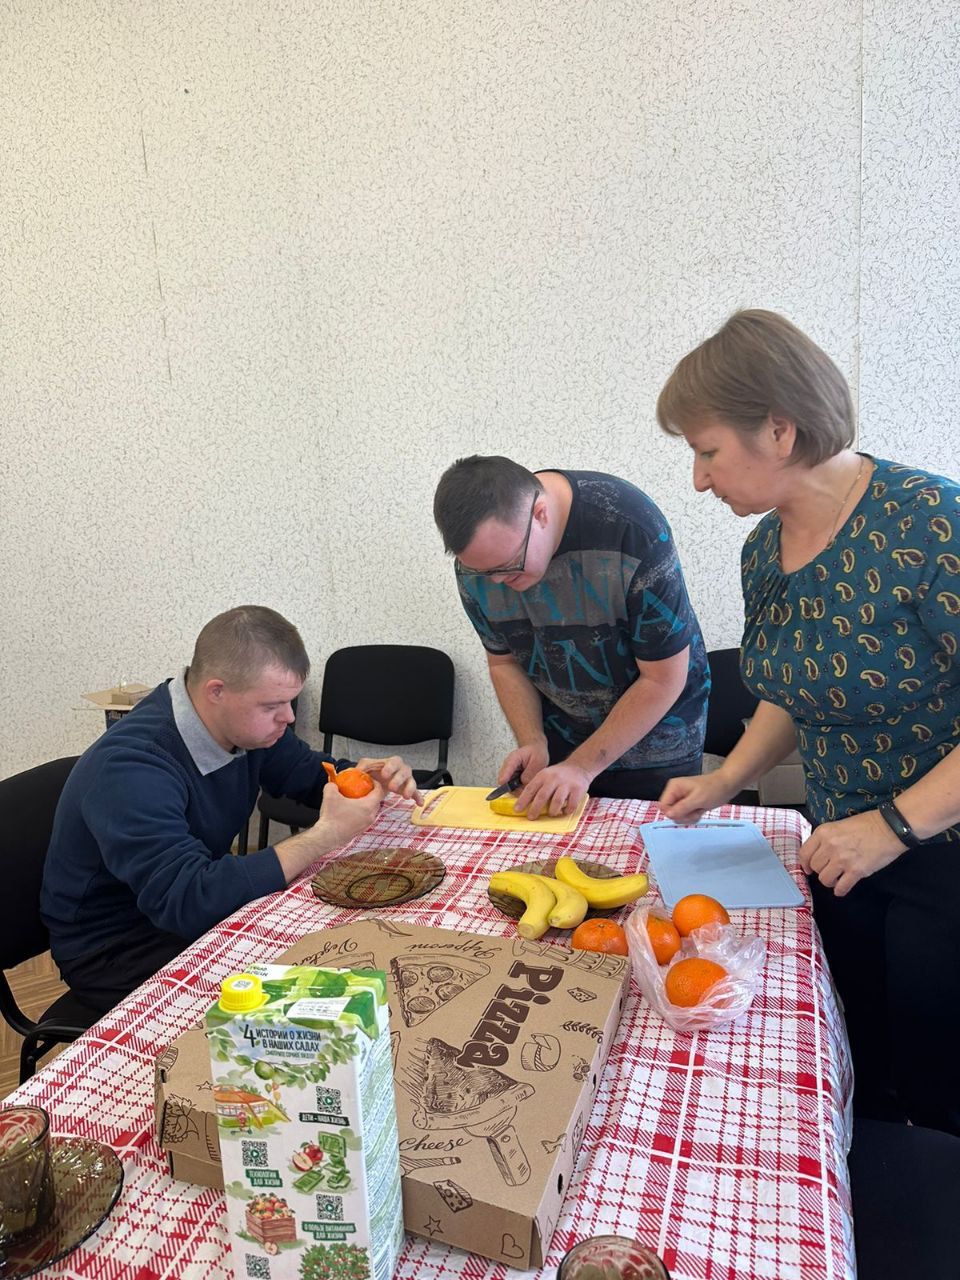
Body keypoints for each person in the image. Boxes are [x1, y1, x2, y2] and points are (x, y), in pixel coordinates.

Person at [655, 309, 960, 1135]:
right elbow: (795, 691)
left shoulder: (933, 524)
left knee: (938, 1089)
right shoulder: (764, 552)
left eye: (707, 450)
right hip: (838, 847)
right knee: (858, 1059)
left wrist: (893, 826)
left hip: (940, 857)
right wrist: (726, 777)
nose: (697, 478)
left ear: (779, 431)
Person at [41, 605, 421, 1014]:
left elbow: (308, 774)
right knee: (315, 1002)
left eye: (290, 702)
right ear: (216, 691)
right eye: (272, 705)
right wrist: (326, 834)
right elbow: (187, 900)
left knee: (354, 949)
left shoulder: (244, 730)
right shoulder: (132, 767)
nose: (288, 717)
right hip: (117, 949)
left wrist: (367, 777)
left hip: (185, 913)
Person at [433, 456, 708, 818]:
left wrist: (582, 767)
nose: (497, 582)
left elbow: (662, 678)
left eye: (507, 567)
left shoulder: (631, 527)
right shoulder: (479, 567)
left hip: (657, 745)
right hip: (562, 745)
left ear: (541, 514)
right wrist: (533, 739)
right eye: (483, 573)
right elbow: (504, 662)